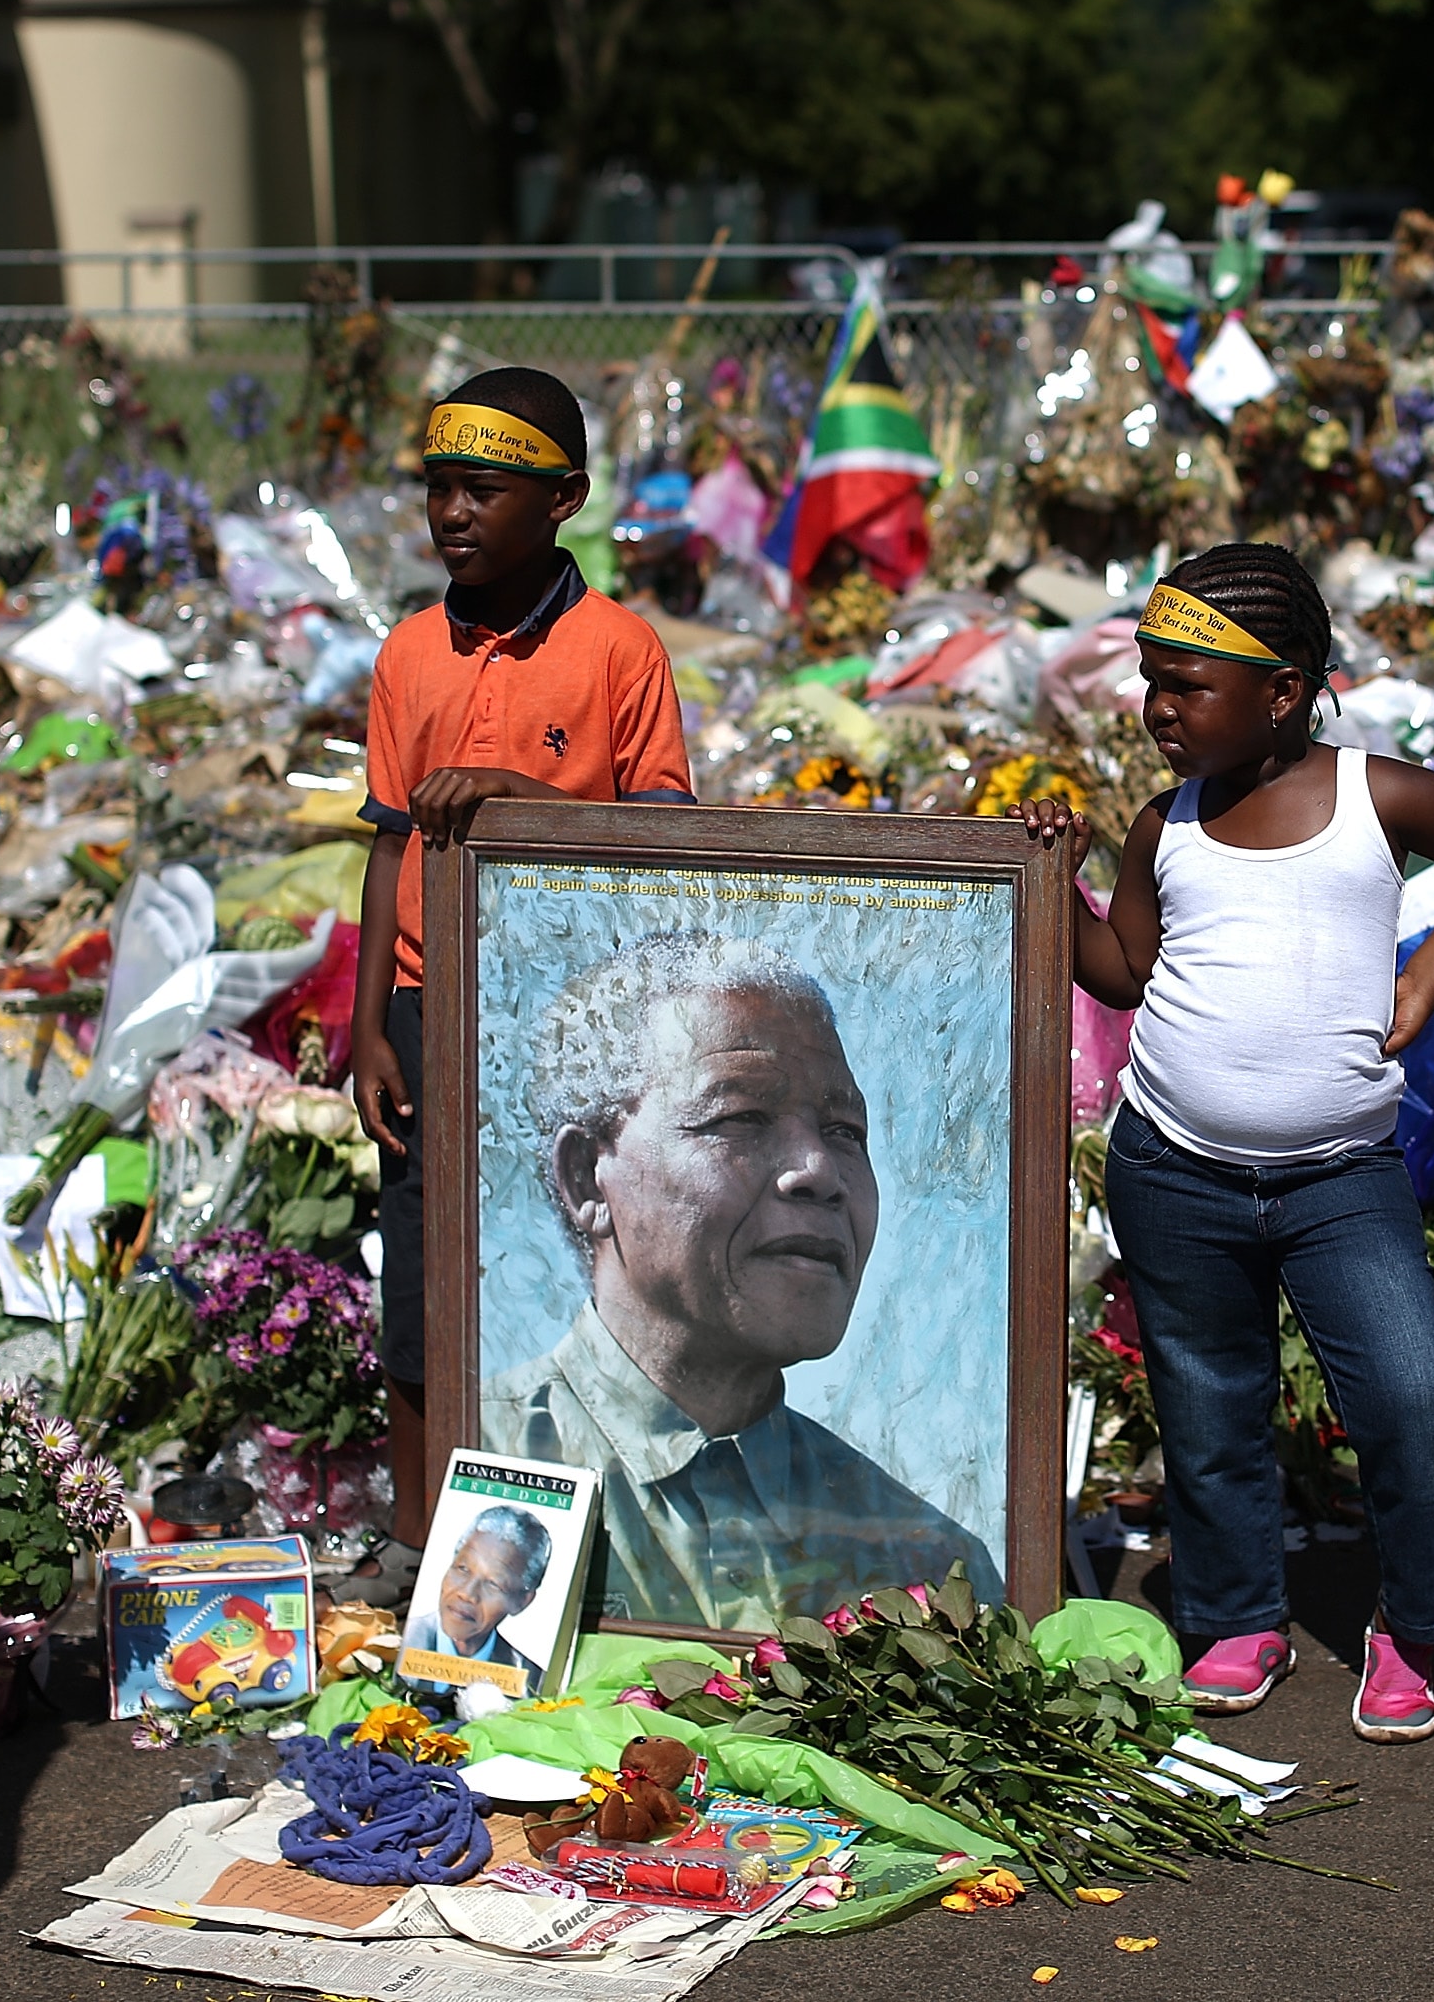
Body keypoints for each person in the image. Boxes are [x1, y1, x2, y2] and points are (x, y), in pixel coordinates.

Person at [1018, 544, 1434, 1744]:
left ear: (1287, 686)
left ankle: (1410, 1627)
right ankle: (1236, 1613)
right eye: (1152, 681)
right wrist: (1061, 880)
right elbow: (1126, 974)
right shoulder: (1165, 826)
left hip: (1340, 1180)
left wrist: (1425, 984)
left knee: (1415, 1403)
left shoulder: (1381, 799)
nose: (1160, 708)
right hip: (1173, 1168)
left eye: (1188, 685)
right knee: (1209, 1406)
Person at [339, 365, 697, 1608]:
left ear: (565, 502)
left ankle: (580, 1543)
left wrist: (524, 797)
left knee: (564, 1271)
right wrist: (367, 1025)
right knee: (421, 1272)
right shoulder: (407, 655)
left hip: (567, 1020)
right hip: (428, 1011)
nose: (453, 513)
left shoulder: (619, 653)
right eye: (439, 488)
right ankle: (411, 1522)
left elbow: (663, 842)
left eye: (483, 490)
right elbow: (388, 840)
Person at [482, 934, 1002, 1630]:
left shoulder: (928, 1573)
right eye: (740, 1119)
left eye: (846, 1131)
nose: (818, 1169)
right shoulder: (478, 1466)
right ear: (586, 1177)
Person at [404, 1502, 550, 1691]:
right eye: (463, 1569)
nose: (466, 1594)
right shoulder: (399, 1645)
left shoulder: (529, 1683)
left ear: (522, 1601)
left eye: (493, 1584)